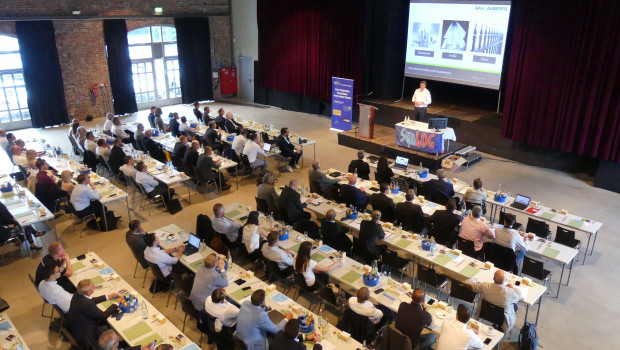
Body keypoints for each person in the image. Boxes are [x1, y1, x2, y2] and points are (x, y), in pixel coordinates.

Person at [66, 279, 121, 349]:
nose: (94, 287)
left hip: (73, 326)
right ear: (88, 292)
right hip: (85, 334)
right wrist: (116, 304)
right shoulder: (88, 304)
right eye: (93, 286)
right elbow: (103, 316)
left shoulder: (77, 294)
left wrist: (108, 297)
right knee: (108, 325)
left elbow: (90, 300)